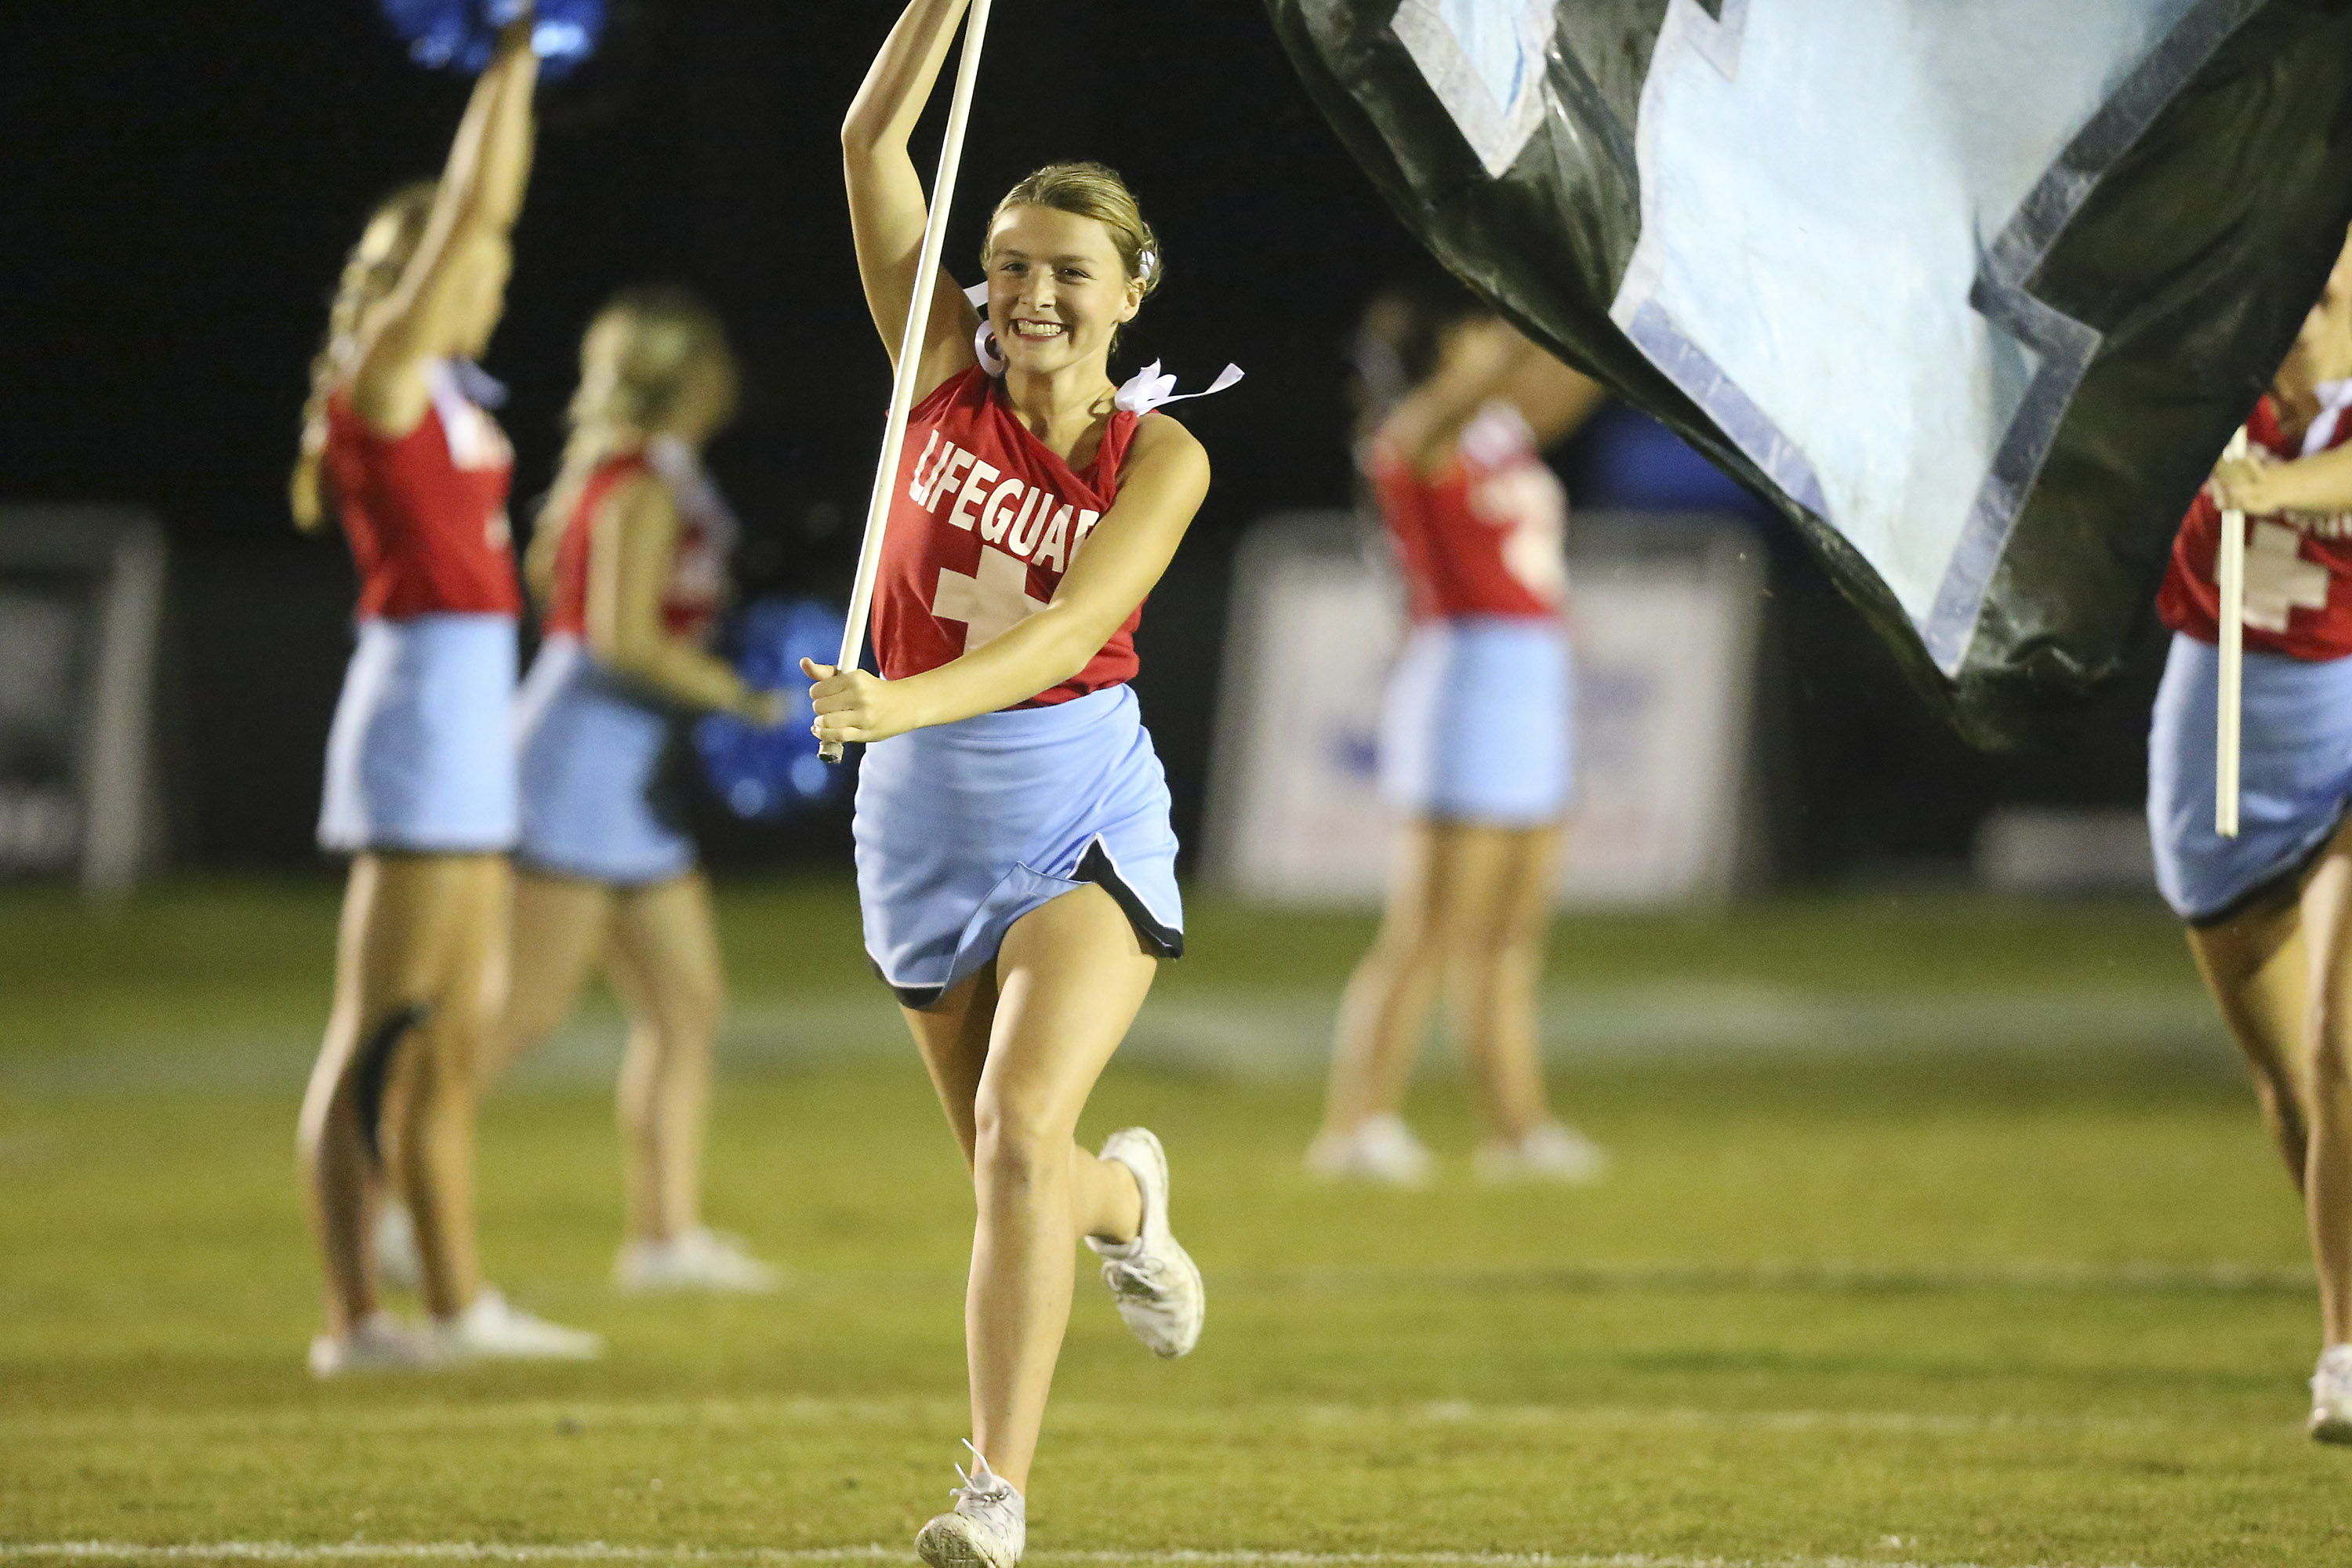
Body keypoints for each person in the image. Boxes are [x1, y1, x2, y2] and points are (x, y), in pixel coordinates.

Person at [809, 2, 1221, 1560]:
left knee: (1009, 1134)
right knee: (1030, 1174)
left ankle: (993, 1497)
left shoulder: (1158, 455)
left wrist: (891, 696)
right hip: (915, 820)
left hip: (1076, 806)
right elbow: (867, 144)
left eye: (1070, 270)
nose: (1033, 292)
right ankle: (1133, 1202)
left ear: (1129, 293)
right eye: (1013, 261)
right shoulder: (934, 367)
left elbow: (1068, 632)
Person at [290, 10, 600, 1374]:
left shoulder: (450, 393)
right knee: (379, 1027)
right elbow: (483, 205)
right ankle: (357, 1319)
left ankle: (458, 1303)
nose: (491, 280)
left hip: (470, 711)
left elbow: (491, 217)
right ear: (416, 277)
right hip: (422, 714)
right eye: (467, 270)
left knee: (453, 1031)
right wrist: (513, 54)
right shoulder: (384, 380)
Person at [484, 285, 784, 1294]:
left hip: (621, 771)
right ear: (694, 376)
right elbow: (616, 635)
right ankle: (385, 1184)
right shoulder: (641, 487)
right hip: (577, 768)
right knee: (522, 1012)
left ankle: (664, 1240)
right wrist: (740, 699)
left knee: (687, 1002)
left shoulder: (642, 475)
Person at [1305, 283, 1607, 1187]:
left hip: (1532, 676)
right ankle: (1357, 1126)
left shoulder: (1493, 431)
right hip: (1465, 682)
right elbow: (1511, 363)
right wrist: (1540, 279)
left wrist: (1607, 308)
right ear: (1445, 348)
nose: (1493, 341)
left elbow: (1580, 368)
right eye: (1474, 329)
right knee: (1429, 930)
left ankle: (1518, 1132)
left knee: (1511, 936)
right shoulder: (1415, 434)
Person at [2147, 230, 2352, 1443]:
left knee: (2343, 1048)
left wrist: (2272, 491)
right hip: (2224, 730)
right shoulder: (2201, 378)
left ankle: (2345, 1350)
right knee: (2288, 1083)